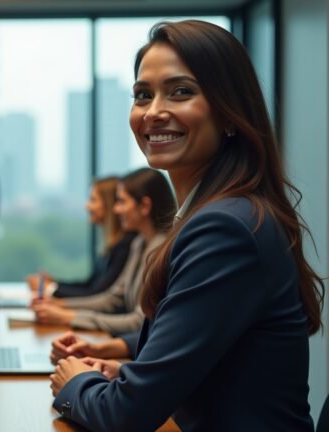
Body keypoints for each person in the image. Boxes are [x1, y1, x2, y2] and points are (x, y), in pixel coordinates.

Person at [50, 20, 323, 431]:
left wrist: (78, 384)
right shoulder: (225, 213)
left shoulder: (226, 228)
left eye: (181, 92)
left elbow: (125, 416)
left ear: (230, 114)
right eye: (143, 95)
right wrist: (125, 376)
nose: (154, 111)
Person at [32, 168, 176, 334]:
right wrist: (62, 306)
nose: (116, 209)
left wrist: (68, 316)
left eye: (122, 202)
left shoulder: (161, 251)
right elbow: (114, 298)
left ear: (144, 206)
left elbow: (140, 321)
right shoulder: (139, 244)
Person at [27, 176, 138, 298]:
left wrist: (50, 289)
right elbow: (90, 285)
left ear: (108, 203)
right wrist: (54, 284)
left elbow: (98, 293)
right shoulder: (113, 245)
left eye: (93, 200)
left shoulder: (125, 245)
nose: (87, 206)